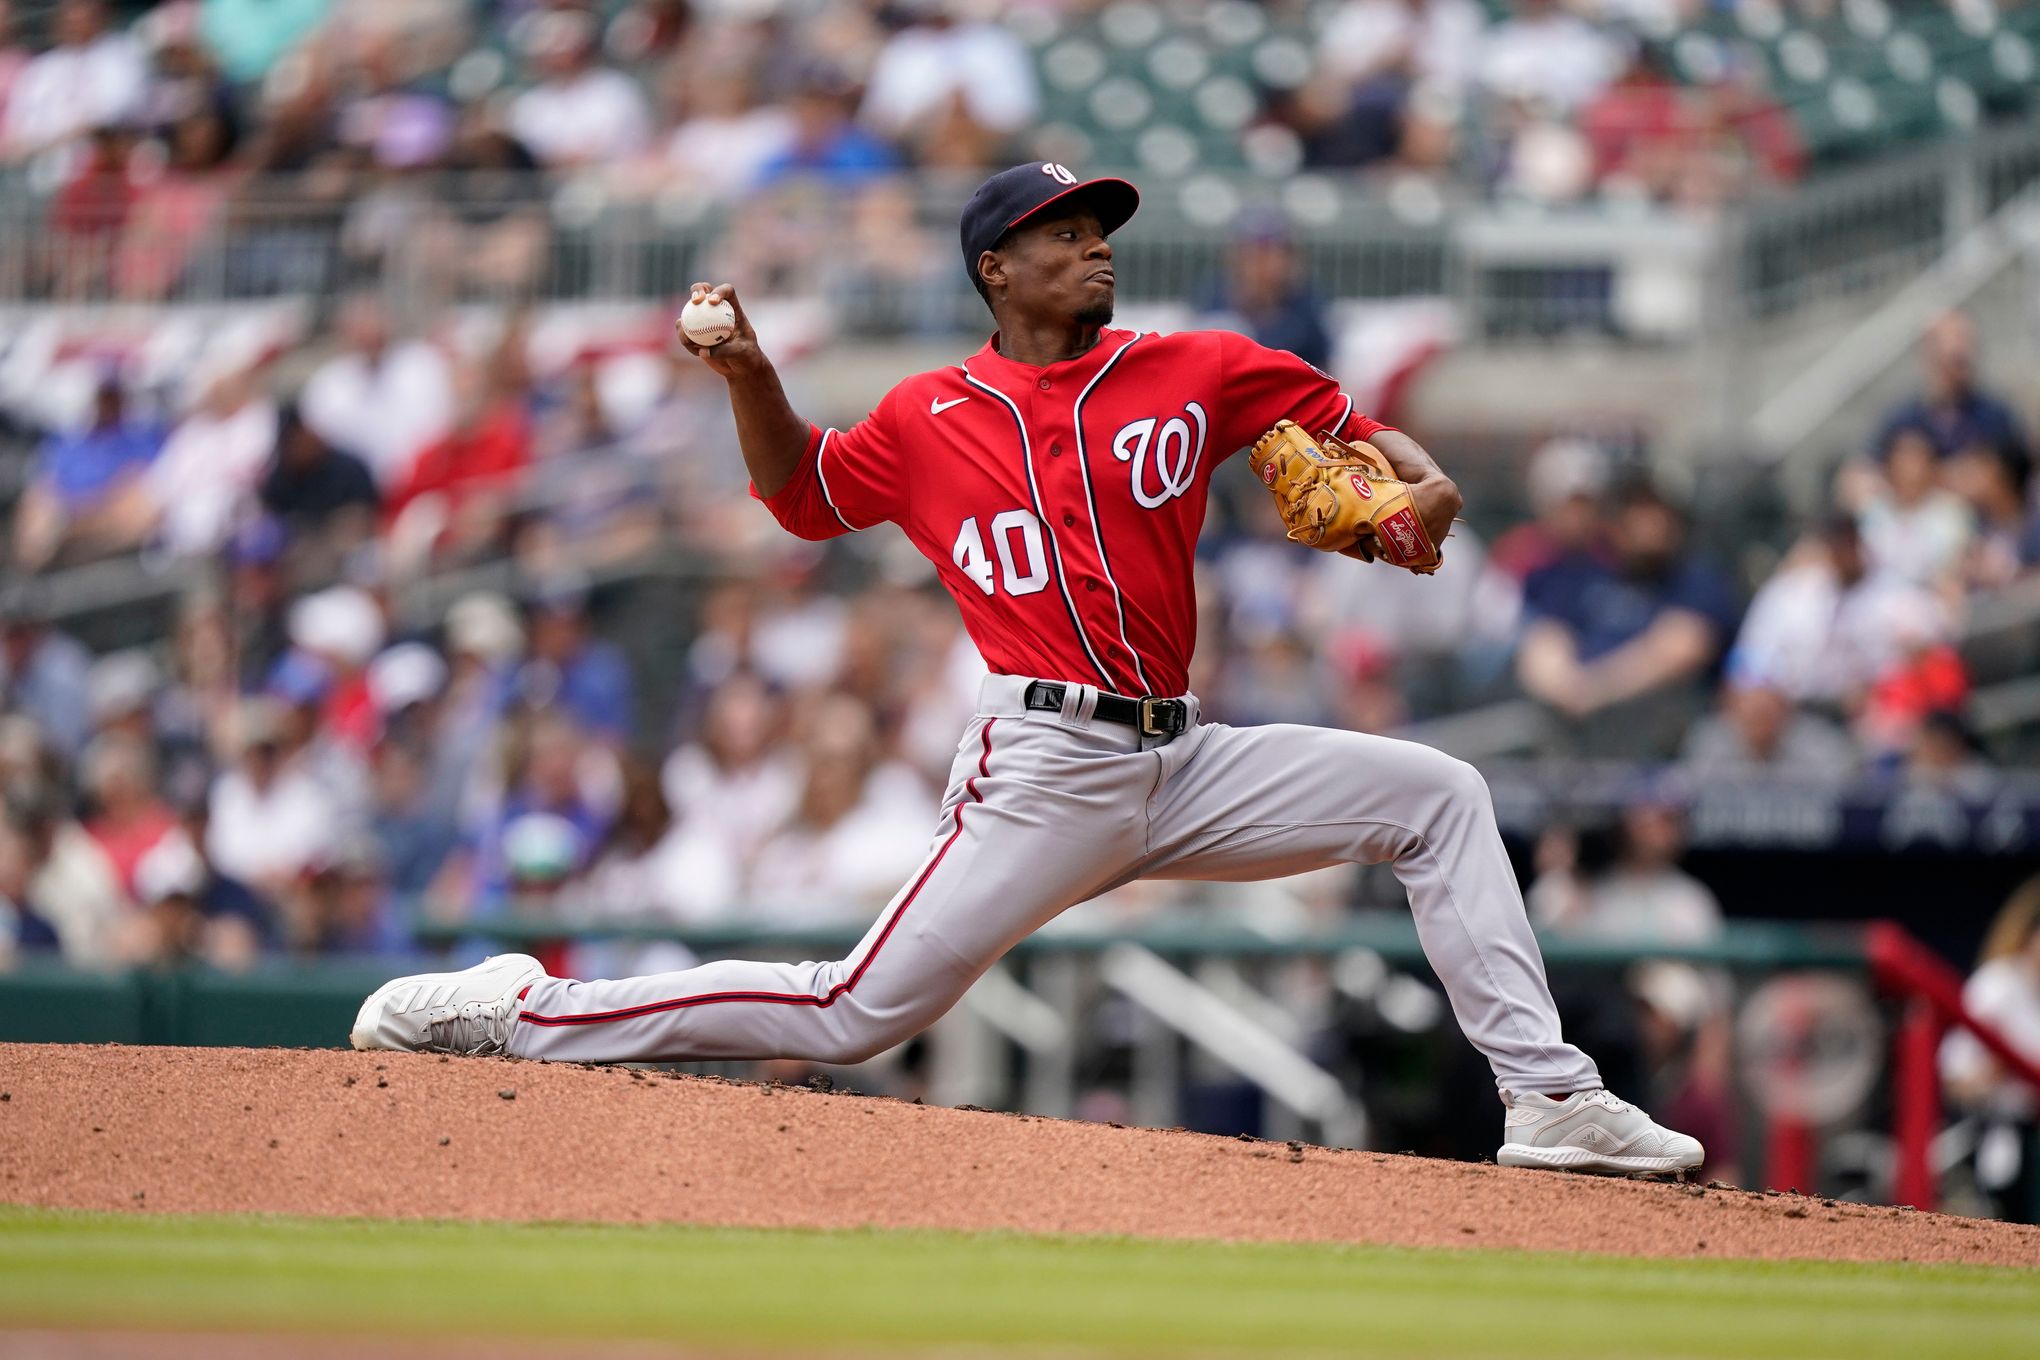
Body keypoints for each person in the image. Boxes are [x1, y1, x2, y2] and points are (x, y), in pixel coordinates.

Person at [353, 161, 1702, 1176]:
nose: (1093, 249)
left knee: (1439, 794)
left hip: (1185, 756)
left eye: (1099, 230)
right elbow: (803, 495)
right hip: (1045, 765)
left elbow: (1362, 446)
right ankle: (519, 1008)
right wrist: (751, 376)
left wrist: (1424, 496)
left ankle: (1551, 1098)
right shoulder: (927, 415)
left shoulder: (1200, 368)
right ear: (997, 267)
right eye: (1062, 234)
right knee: (849, 1012)